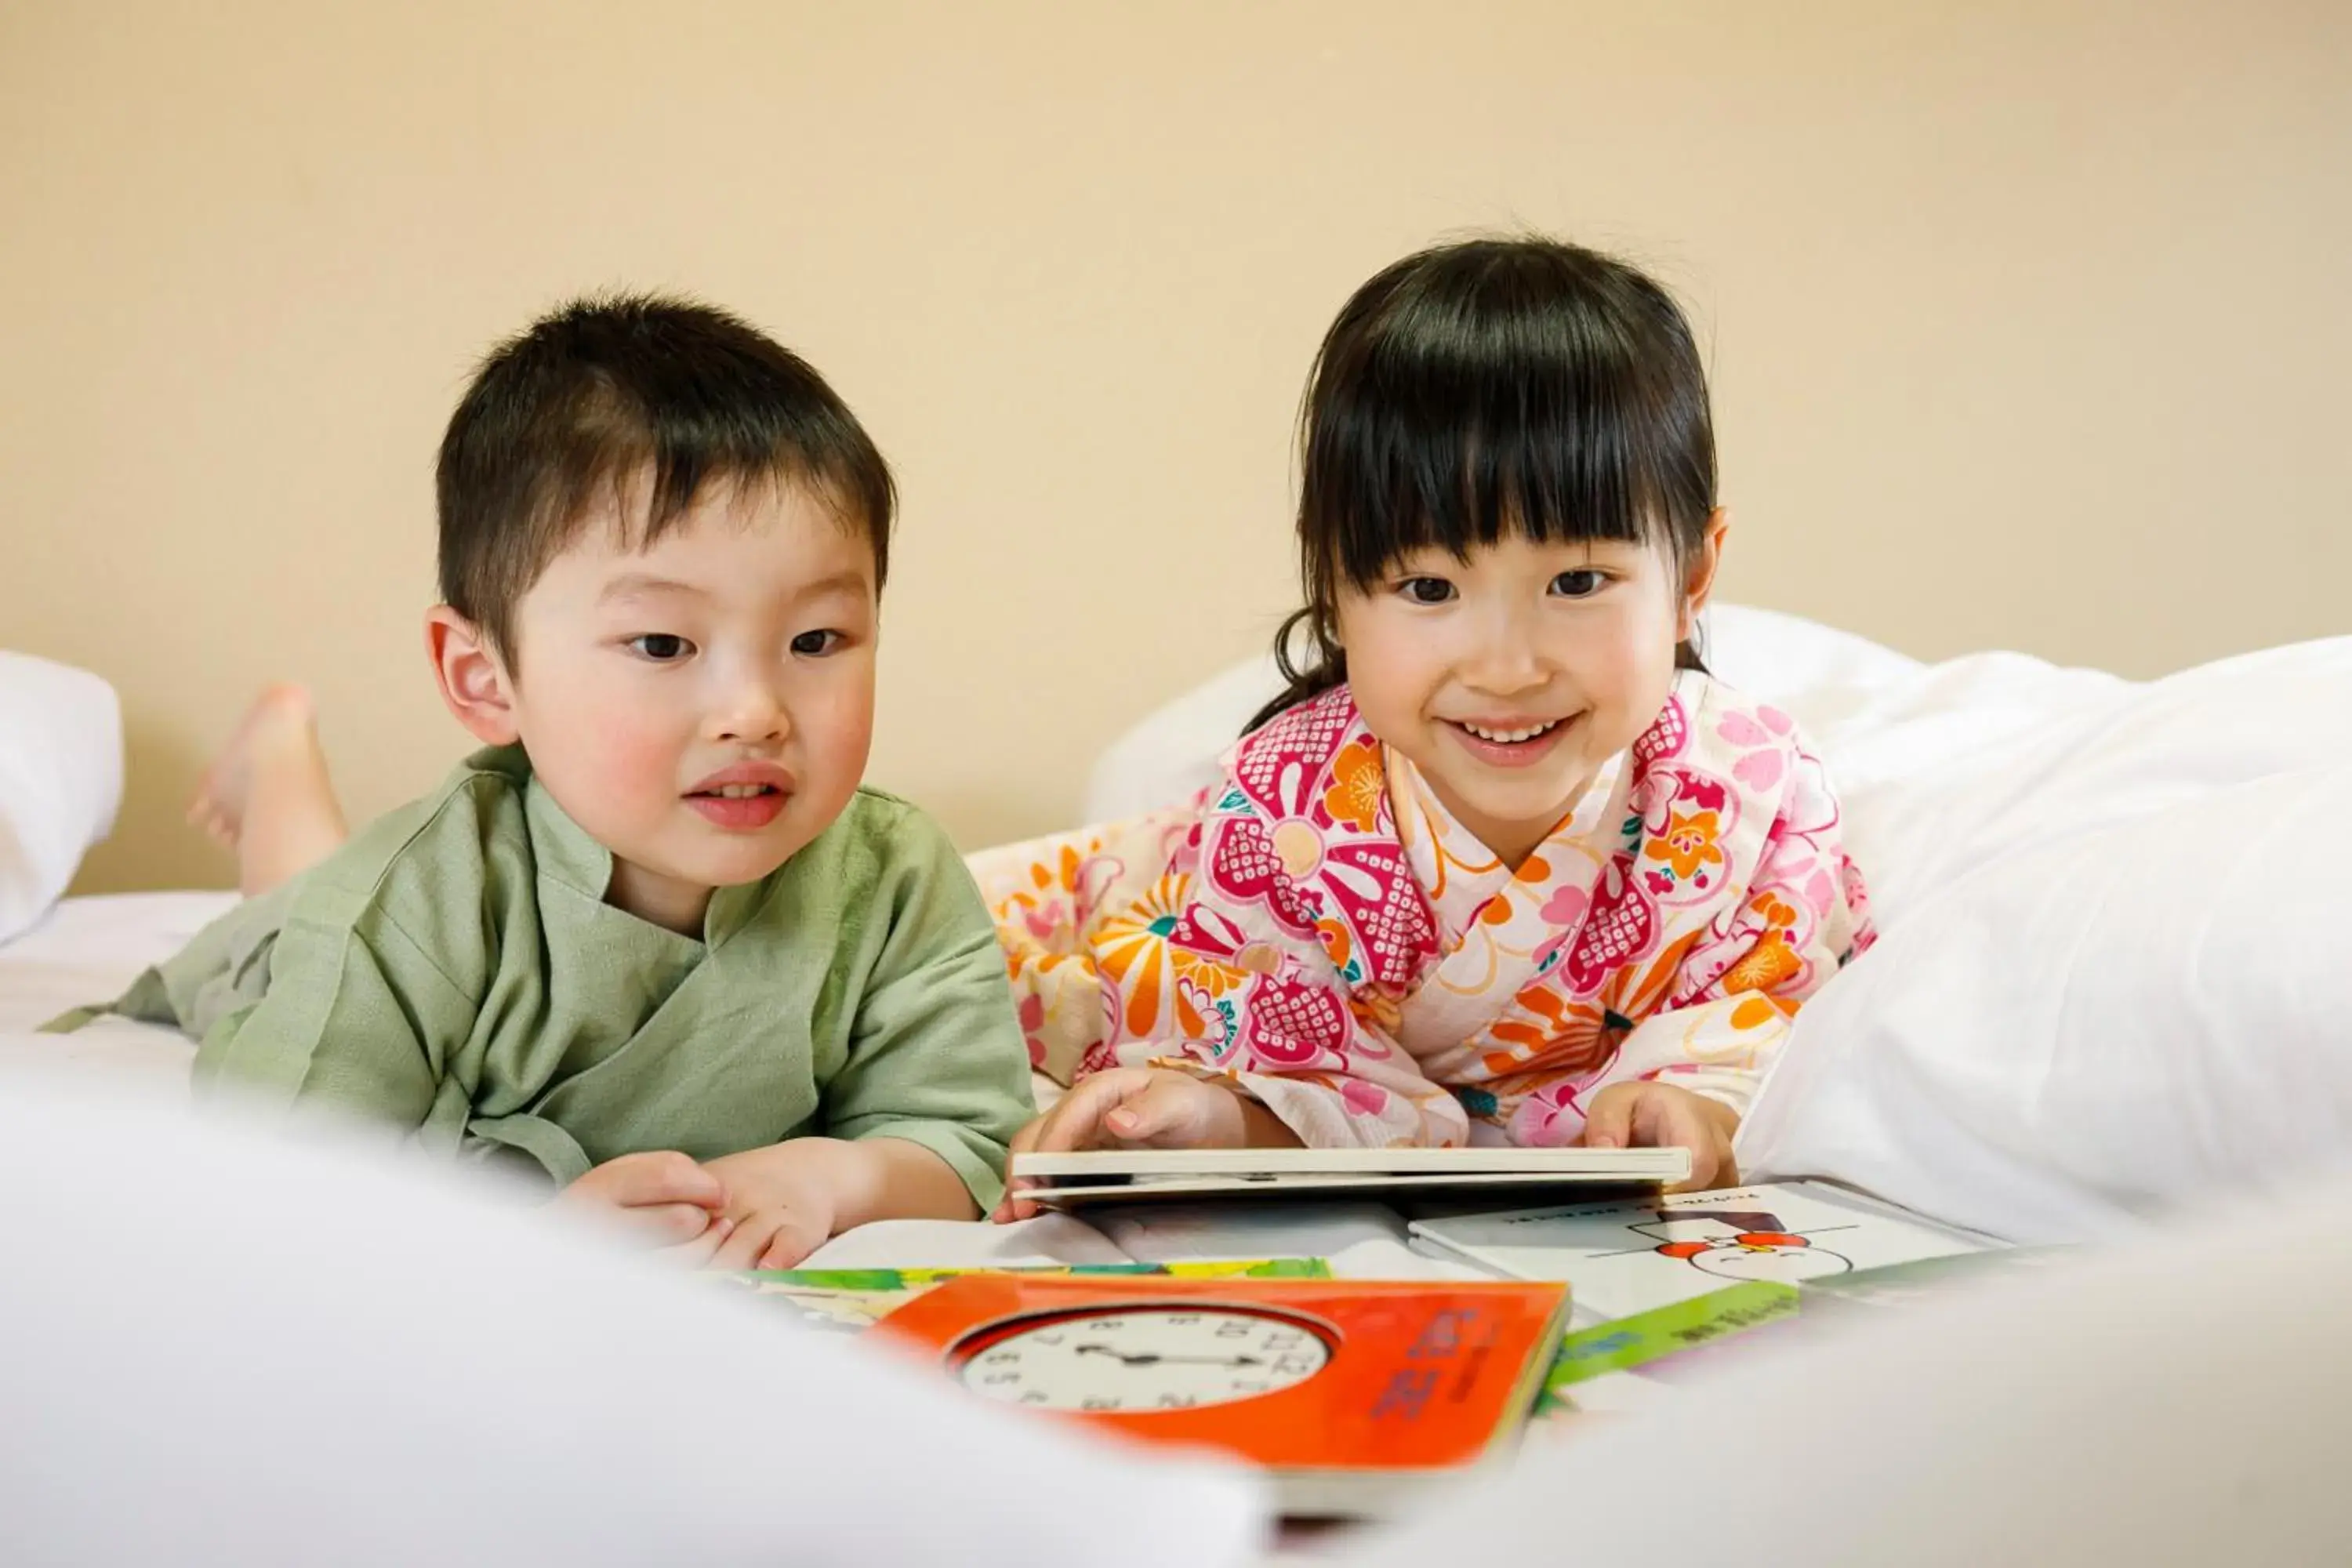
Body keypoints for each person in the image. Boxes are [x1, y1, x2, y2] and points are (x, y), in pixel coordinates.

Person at [51, 295, 1034, 1267]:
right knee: (297, 893)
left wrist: (831, 1178)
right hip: (305, 937)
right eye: (662, 642)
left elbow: (967, 1135)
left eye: (815, 639)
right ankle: (279, 755)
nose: (755, 711)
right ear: (485, 681)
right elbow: (281, 1185)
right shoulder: (407, 906)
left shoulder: (895, 874)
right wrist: (529, 1245)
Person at [981, 236, 1872, 1211]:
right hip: (1178, 894)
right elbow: (1280, 1069)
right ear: (1336, 587)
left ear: (1694, 574)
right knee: (975, 970)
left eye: (1578, 581)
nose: (1506, 666)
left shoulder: (1748, 793)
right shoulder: (1283, 810)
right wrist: (1204, 1112)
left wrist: (1699, 1108)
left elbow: (1758, 1011)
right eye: (1428, 585)